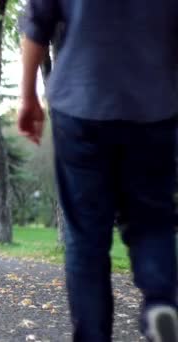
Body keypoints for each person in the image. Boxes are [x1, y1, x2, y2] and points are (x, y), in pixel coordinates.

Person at [19, 1, 178, 341]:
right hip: (154, 108)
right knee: (152, 222)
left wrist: (27, 96)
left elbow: (37, 20)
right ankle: (160, 305)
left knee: (86, 238)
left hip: (81, 101)